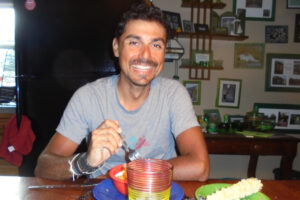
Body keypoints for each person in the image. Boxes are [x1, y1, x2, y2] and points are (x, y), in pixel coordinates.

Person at [34, 0, 209, 181]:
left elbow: (199, 166)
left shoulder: (173, 94)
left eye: (156, 45)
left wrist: (127, 175)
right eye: (134, 42)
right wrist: (85, 162)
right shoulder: (88, 98)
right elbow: (43, 167)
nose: (146, 55)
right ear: (116, 48)